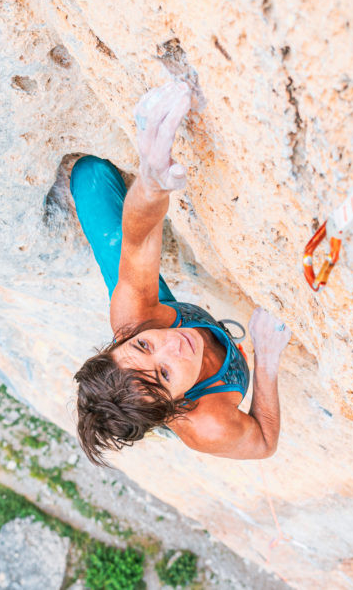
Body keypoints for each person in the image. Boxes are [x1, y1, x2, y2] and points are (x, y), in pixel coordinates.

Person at [71, 81, 291, 464]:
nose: (171, 345)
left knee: (88, 176)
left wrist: (152, 183)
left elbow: (140, 239)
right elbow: (264, 442)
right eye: (165, 374)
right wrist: (267, 361)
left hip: (158, 309)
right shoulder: (208, 425)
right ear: (176, 406)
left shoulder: (135, 321)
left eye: (142, 347)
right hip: (204, 389)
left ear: (121, 342)